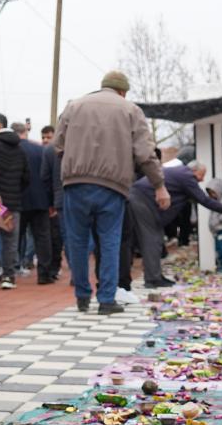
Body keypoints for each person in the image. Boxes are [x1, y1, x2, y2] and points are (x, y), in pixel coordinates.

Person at [52, 71, 168, 314]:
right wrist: (159, 185)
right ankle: (106, 299)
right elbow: (145, 153)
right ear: (123, 91)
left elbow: (57, 145)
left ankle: (82, 297)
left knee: (77, 241)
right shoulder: (130, 110)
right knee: (110, 240)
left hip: (75, 183)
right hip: (111, 186)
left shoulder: (74, 106)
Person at [128, 161, 222, 288]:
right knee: (152, 240)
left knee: (157, 239)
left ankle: (155, 276)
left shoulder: (180, 174)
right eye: (202, 175)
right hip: (142, 202)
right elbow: (203, 199)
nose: (202, 179)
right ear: (194, 171)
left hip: (143, 201)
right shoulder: (186, 176)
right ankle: (152, 279)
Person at [0, 111, 29, 289]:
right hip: (13, 202)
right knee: (10, 240)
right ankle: (9, 276)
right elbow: (27, 177)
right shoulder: (19, 148)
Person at [16, 121, 55, 284]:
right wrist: (51, 201)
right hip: (40, 199)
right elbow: (48, 176)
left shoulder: (13, 149)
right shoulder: (41, 150)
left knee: (16, 237)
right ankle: (44, 274)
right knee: (42, 237)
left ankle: (12, 270)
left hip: (18, 200)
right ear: (26, 132)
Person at [40, 125, 64, 282]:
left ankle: (53, 269)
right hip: (83, 195)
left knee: (62, 236)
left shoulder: (49, 150)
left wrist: (50, 203)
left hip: (59, 199)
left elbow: (45, 177)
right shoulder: (83, 144)